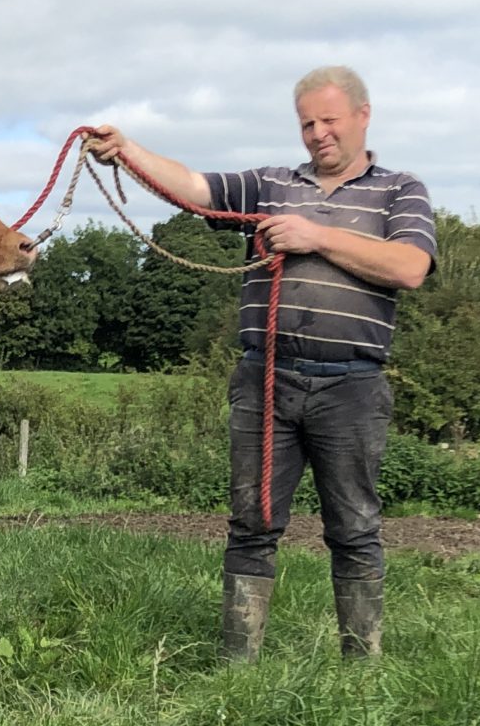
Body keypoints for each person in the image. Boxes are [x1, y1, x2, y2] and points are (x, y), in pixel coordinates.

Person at [85, 67, 435, 662]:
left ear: (362, 115)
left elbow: (409, 267)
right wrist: (128, 151)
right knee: (252, 524)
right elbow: (193, 187)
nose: (318, 134)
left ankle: (363, 668)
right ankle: (238, 669)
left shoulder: (400, 190)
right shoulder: (270, 183)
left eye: (329, 120)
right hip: (265, 377)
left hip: (352, 385)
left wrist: (315, 236)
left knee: (354, 529)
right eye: (307, 123)